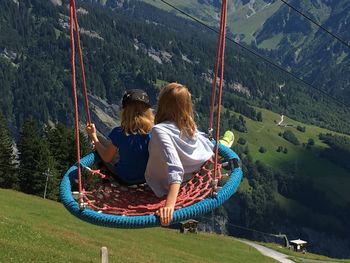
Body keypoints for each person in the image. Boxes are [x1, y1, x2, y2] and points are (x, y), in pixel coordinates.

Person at [145, 82, 214, 226]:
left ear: (162, 104)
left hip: (167, 184)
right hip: (197, 168)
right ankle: (221, 145)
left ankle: (219, 145)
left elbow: (175, 168)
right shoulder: (188, 127)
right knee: (208, 141)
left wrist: (169, 205)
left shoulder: (159, 130)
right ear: (187, 107)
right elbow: (201, 138)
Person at [86, 89, 154, 185]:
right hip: (145, 178)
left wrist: (93, 136)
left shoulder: (119, 132)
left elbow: (107, 158)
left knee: (98, 142)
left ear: (125, 111)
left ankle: (104, 179)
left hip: (124, 178)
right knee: (104, 141)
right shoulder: (152, 133)